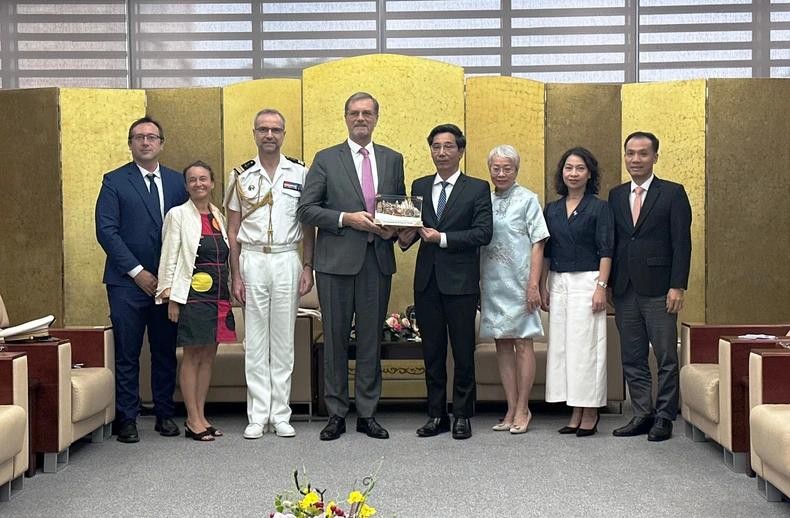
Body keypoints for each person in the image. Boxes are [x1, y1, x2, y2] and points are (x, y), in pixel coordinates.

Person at [297, 92, 405, 441]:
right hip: (335, 265)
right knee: (336, 340)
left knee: (372, 340)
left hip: (377, 261)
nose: (361, 118)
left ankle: (368, 413)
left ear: (376, 118)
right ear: (345, 118)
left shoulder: (393, 159)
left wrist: (394, 227)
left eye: (367, 113)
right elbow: (306, 210)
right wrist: (347, 218)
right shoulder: (326, 159)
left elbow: (399, 207)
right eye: (355, 113)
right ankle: (336, 413)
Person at [95, 116, 188, 443]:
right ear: (131, 143)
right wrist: (137, 272)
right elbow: (106, 231)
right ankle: (128, 419)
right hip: (126, 284)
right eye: (139, 137)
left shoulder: (179, 182)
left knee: (164, 351)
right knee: (127, 352)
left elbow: (188, 231)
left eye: (152, 137)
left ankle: (165, 414)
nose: (145, 142)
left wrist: (168, 277)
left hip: (166, 284)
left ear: (162, 143)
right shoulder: (114, 181)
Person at [398, 124, 492, 440]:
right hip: (427, 282)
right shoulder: (420, 184)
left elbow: (483, 233)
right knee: (432, 353)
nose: (442, 152)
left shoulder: (477, 188)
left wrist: (443, 239)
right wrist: (404, 234)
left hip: (461, 284)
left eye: (448, 146)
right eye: (436, 146)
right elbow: (413, 228)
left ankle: (462, 415)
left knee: (463, 352)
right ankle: (435, 415)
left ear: (460, 151)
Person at [226, 108, 315, 440]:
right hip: (252, 259)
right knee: (256, 341)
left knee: (283, 341)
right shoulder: (240, 175)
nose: (269, 135)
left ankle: (281, 414)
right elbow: (232, 231)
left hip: (286, 259)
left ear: (283, 134)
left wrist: (308, 266)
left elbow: (309, 227)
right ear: (254, 133)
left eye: (275, 130)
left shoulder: (301, 174)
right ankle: (257, 414)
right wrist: (236, 275)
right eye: (263, 130)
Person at [608, 131, 692, 442]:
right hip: (625, 288)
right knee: (632, 355)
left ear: (655, 157)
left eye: (643, 153)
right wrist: (608, 285)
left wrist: (677, 286)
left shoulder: (672, 193)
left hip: (660, 288)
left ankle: (665, 416)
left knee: (666, 356)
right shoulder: (616, 195)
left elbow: (682, 244)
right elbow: (615, 242)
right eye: (630, 153)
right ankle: (642, 413)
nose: (636, 159)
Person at [156, 161, 235, 442]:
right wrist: (169, 298)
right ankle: (191, 419)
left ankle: (201, 416)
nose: (199, 184)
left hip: (218, 298)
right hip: (191, 296)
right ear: (186, 185)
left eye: (204, 179)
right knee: (192, 356)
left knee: (208, 356)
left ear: (212, 183)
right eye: (192, 180)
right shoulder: (177, 215)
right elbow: (170, 257)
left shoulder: (218, 215)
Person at [541, 147, 613, 437]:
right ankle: (575, 409)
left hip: (589, 282)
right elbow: (546, 251)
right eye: (568, 168)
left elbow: (607, 250)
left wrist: (601, 288)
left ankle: (591, 410)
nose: (573, 173)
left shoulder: (600, 207)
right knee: (564, 349)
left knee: (587, 349)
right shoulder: (552, 209)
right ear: (562, 173)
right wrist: (543, 284)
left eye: (580, 168)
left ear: (589, 173)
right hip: (559, 282)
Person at [479, 145, 549, 435]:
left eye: (507, 168)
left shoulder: (528, 199)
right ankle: (510, 407)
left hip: (521, 282)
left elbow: (539, 242)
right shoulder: (484, 200)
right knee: (502, 344)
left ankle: (523, 407)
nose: (501, 173)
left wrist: (534, 284)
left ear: (516, 169)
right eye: (496, 168)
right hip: (492, 281)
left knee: (523, 342)